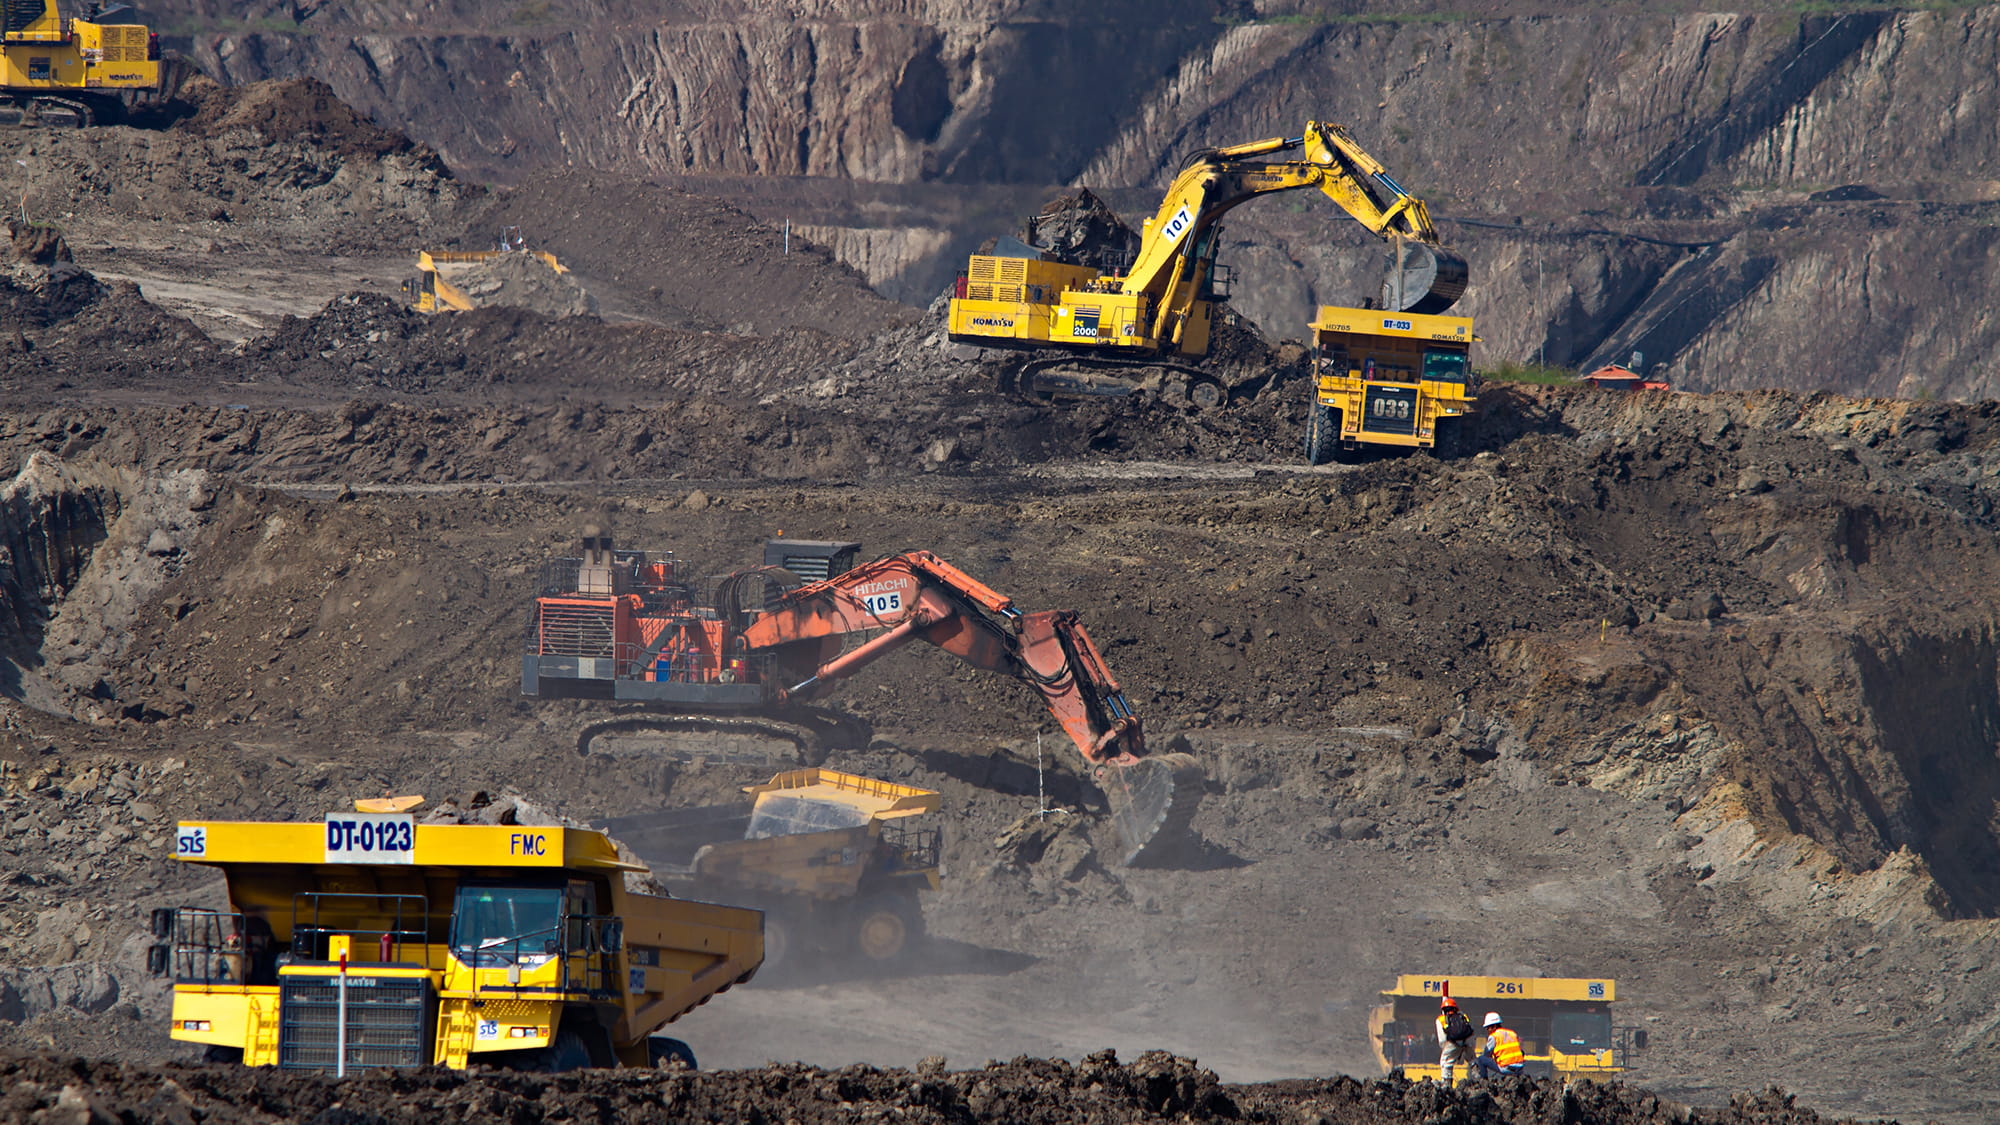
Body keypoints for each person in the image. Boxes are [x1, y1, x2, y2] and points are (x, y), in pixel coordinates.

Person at [1435, 995, 1475, 1085]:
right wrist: (1470, 1044)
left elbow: (1442, 1039)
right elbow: (1470, 1030)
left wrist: (1445, 1048)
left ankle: (1447, 1083)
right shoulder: (1463, 1016)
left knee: (1446, 1062)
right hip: (1467, 1041)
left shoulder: (1441, 1019)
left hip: (1453, 1043)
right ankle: (1478, 1079)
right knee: (1472, 1060)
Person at [1474, 1011, 1526, 1079]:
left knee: (1481, 1059)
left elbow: (1486, 1055)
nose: (1487, 1030)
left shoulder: (1494, 1036)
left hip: (1507, 1069)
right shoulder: (1512, 1033)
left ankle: (1483, 1081)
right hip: (1520, 1069)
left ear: (1494, 1026)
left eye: (1488, 1027)